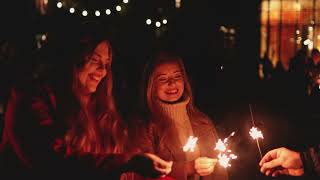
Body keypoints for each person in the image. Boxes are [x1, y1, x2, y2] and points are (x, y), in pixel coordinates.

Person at [0, 22, 172, 179]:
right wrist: (128, 162)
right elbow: (51, 160)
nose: (103, 70)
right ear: (73, 58)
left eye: (107, 63)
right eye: (95, 60)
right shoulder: (30, 99)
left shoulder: (100, 107)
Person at [135, 52, 228, 180]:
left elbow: (220, 172)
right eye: (163, 79)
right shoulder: (144, 128)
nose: (172, 83)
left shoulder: (202, 121)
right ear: (151, 85)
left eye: (177, 77)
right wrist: (187, 168)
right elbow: (142, 172)